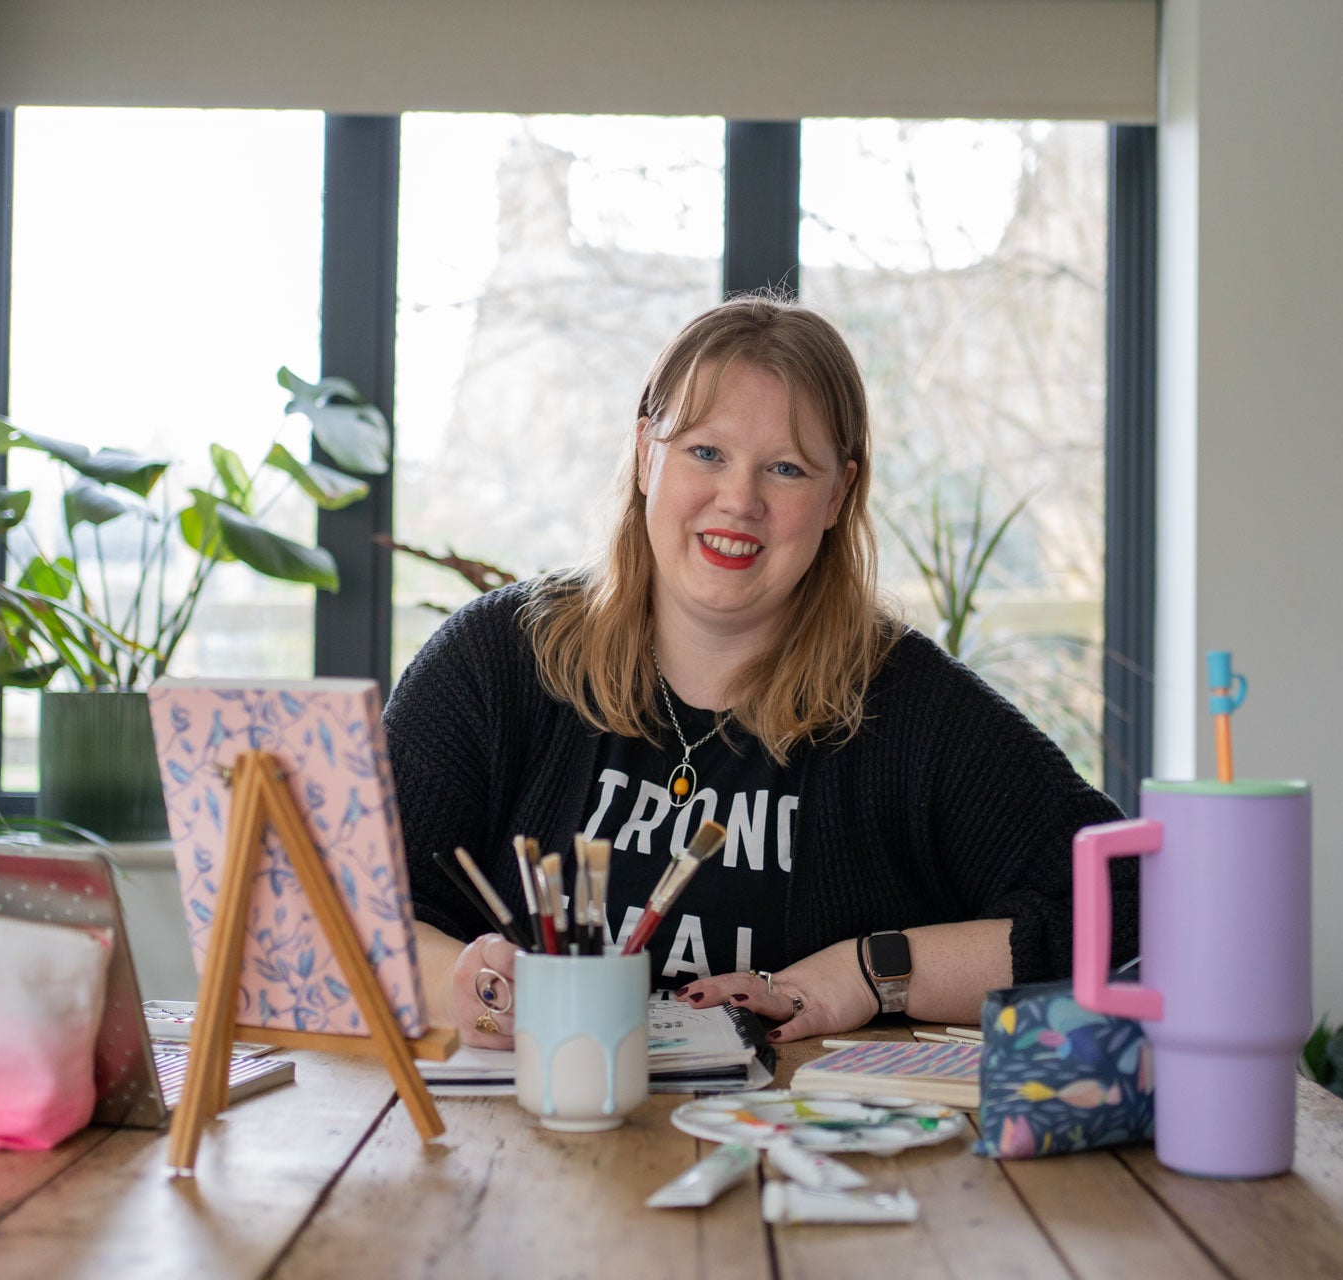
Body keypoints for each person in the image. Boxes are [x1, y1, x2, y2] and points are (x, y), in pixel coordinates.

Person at [383, 295, 1134, 1050]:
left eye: (785, 468)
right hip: (530, 1143)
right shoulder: (499, 660)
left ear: (838, 493)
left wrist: (864, 973)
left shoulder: (908, 704)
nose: (739, 501)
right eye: (706, 452)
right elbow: (343, 917)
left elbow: (1137, 904)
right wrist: (480, 994)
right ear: (647, 453)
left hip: (803, 1152)